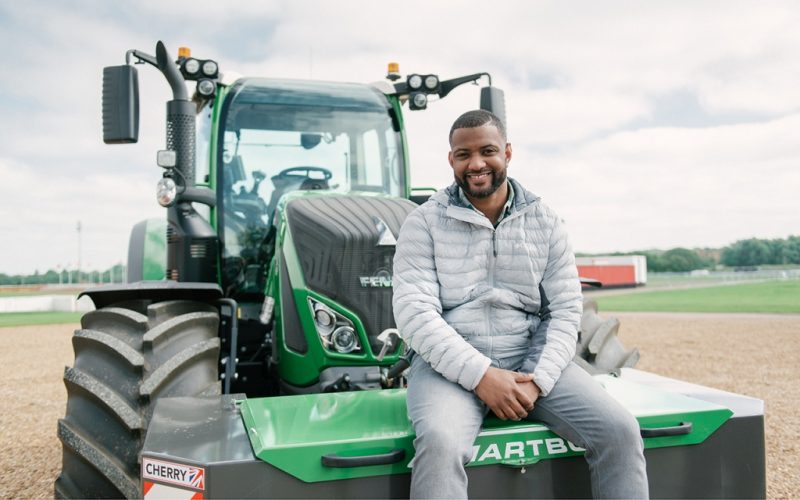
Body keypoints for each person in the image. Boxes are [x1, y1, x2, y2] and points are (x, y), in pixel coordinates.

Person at [392, 109, 648, 499]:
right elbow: (416, 314)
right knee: (441, 443)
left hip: (530, 360)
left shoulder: (545, 222)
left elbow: (564, 310)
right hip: (447, 369)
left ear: (508, 153)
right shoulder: (423, 223)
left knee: (620, 430)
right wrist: (482, 376)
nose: (476, 164)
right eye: (463, 155)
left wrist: (538, 380)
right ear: (451, 160)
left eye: (487, 151)